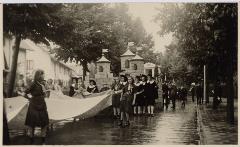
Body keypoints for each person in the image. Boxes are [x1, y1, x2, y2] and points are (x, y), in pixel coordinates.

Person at [23, 69, 49, 144]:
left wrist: (44, 93)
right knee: (32, 122)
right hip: (34, 105)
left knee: (44, 122)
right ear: (39, 75)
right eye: (43, 74)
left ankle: (43, 139)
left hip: (42, 105)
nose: (44, 75)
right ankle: (31, 139)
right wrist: (30, 98)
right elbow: (25, 92)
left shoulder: (42, 84)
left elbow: (44, 94)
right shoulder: (33, 83)